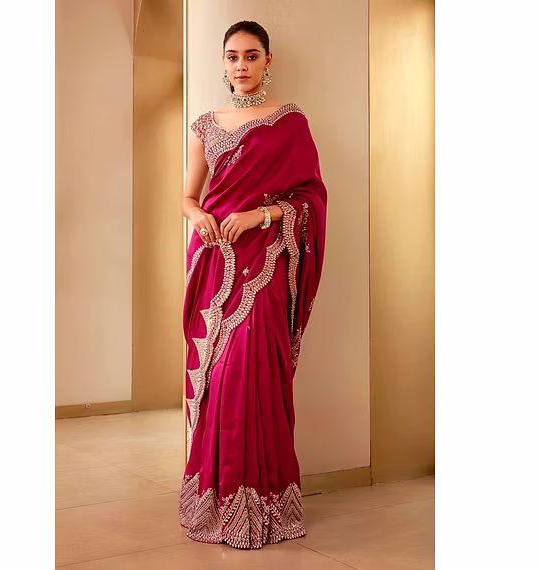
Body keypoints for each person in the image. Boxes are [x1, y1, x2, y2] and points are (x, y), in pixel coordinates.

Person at [179, 20, 328, 549]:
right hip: (214, 261)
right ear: (222, 63)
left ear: (268, 61)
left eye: (250, 55)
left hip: (263, 266)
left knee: (254, 374)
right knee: (218, 379)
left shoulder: (290, 122)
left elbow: (310, 198)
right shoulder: (205, 125)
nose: (240, 65)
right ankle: (217, 498)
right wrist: (199, 216)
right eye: (232, 56)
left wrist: (260, 216)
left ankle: (263, 499)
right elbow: (188, 197)